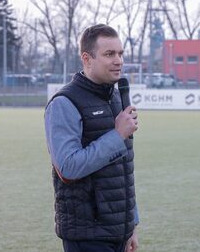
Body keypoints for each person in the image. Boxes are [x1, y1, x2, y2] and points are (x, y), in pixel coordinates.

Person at [44, 24, 139, 252]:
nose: (118, 60)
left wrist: (132, 224)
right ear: (87, 59)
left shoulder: (117, 98)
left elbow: (123, 169)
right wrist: (117, 136)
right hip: (88, 235)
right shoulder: (64, 103)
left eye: (120, 53)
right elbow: (68, 168)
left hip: (119, 232)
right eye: (109, 54)